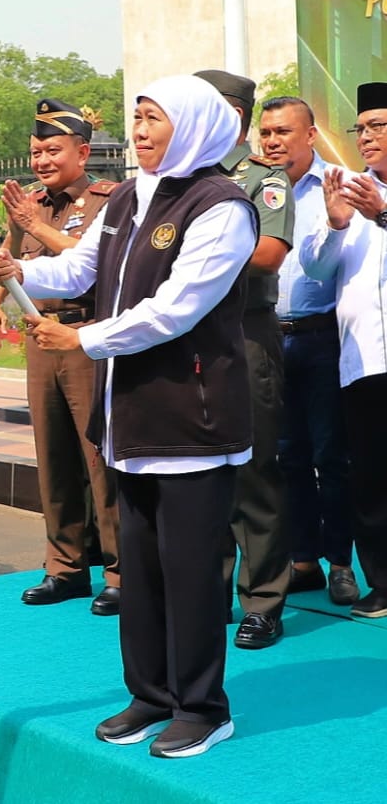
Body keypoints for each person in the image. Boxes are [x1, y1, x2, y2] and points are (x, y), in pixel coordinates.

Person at [0, 75, 255, 759]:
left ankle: (201, 706)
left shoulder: (221, 206)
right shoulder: (131, 195)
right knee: (140, 567)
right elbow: (76, 271)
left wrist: (84, 339)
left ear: (190, 124)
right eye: (135, 118)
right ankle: (150, 694)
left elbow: (178, 307)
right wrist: (15, 270)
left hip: (190, 419)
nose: (138, 131)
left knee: (190, 573)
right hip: (128, 415)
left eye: (152, 118)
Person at [0, 98, 121, 615]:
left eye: (52, 150)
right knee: (53, 458)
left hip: (85, 337)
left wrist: (34, 225)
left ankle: (119, 570)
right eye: (36, 151)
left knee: (98, 458)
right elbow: (8, 255)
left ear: (82, 152)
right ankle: (64, 567)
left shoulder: (109, 199)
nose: (41, 160)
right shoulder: (31, 202)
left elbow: (90, 262)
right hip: (41, 337)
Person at [196, 68, 295, 650]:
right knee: (201, 471)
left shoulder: (262, 178)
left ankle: (263, 601)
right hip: (190, 337)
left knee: (254, 471)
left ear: (230, 114)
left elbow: (268, 254)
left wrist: (196, 247)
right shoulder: (184, 179)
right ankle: (208, 591)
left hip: (244, 332)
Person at [258, 95, 356, 605]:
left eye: (283, 133)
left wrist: (338, 223)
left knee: (329, 455)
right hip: (268, 338)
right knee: (285, 456)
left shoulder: (339, 187)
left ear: (311, 135)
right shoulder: (252, 190)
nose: (273, 142)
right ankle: (303, 560)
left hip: (322, 337)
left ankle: (341, 561)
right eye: (266, 134)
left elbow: (326, 269)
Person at [299, 82, 387, 620]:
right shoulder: (347, 190)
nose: (367, 137)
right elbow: (314, 267)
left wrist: (382, 214)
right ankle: (382, 581)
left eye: (379, 126)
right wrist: (334, 223)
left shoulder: (373, 202)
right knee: (370, 476)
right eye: (362, 128)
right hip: (362, 358)